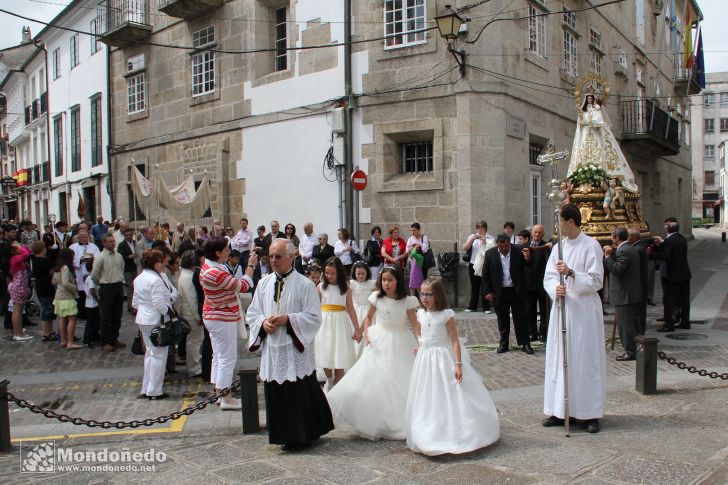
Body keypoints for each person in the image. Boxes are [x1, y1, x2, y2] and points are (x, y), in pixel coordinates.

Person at [247, 239, 334, 450]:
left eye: (278, 256)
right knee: (278, 393)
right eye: (271, 256)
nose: (273, 261)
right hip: (273, 348)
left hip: (295, 349)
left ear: (292, 257)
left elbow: (314, 317)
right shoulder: (263, 283)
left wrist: (289, 319)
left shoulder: (305, 285)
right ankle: (283, 435)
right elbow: (253, 313)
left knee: (299, 393)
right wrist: (263, 323)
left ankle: (304, 434)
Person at [405, 277, 500, 456]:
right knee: (428, 394)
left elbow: (454, 341)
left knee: (448, 393)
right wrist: (421, 344)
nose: (424, 297)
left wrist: (458, 364)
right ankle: (427, 429)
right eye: (422, 293)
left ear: (438, 295)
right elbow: (422, 332)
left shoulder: (446, 314)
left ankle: (458, 429)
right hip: (425, 359)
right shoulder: (420, 313)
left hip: (443, 358)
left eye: (429, 294)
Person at [327, 265, 420, 440]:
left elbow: (414, 323)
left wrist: (421, 340)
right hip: (380, 338)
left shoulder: (407, 301)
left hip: (401, 340)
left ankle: (397, 419)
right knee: (375, 379)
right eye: (384, 280)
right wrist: (367, 333)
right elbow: (368, 317)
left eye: (390, 280)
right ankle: (373, 417)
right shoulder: (376, 298)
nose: (386, 283)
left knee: (399, 380)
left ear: (398, 281)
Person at [542, 204, 605, 434]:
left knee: (584, 360)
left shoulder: (591, 245)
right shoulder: (558, 247)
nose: (558, 226)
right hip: (562, 309)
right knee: (560, 358)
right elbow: (549, 276)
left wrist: (571, 274)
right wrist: (554, 289)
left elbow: (597, 280)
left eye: (560, 221)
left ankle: (589, 413)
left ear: (570, 221)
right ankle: (561, 410)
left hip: (584, 311)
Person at [201, 238, 256, 410]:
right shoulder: (216, 273)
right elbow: (243, 285)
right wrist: (251, 266)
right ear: (217, 253)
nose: (228, 252)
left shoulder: (208, 267)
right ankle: (226, 397)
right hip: (221, 317)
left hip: (214, 315)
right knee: (227, 357)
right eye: (226, 250)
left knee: (218, 355)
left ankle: (219, 392)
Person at [567, 93, 639, 194]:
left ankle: (601, 175)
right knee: (584, 152)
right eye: (588, 98)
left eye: (591, 98)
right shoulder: (584, 110)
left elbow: (599, 121)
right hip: (585, 134)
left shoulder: (597, 109)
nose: (589, 100)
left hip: (595, 134)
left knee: (598, 151)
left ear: (593, 99)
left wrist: (591, 122)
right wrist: (580, 114)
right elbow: (581, 122)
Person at [132, 249, 178, 400]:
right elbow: (159, 304)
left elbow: (135, 302)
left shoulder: (139, 278)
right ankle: (155, 390)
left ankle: (146, 388)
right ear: (154, 263)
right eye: (160, 261)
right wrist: (168, 311)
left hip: (143, 319)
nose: (162, 264)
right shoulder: (156, 280)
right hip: (156, 320)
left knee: (150, 354)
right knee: (159, 355)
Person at [482, 234, 532, 354]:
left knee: (521, 318)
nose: (503, 249)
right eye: (501, 246)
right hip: (500, 291)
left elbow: (527, 267)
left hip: (516, 290)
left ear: (509, 243)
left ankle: (525, 343)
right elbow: (486, 274)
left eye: (505, 246)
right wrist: (487, 291)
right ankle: (504, 344)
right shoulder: (490, 254)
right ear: (497, 244)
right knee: (502, 319)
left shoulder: (518, 250)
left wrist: (528, 259)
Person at [317, 257, 361, 390]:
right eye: (327, 273)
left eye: (332, 273)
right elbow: (314, 307)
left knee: (339, 355)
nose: (329, 276)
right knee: (325, 353)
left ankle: (339, 387)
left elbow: (350, 307)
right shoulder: (320, 287)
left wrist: (357, 329)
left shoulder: (345, 287)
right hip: (324, 323)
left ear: (339, 273)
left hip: (340, 323)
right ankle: (329, 379)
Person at [603, 227, 643, 361]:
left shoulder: (625, 250)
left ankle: (630, 351)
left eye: (612, 237)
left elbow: (617, 270)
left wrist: (608, 257)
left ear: (617, 237)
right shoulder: (629, 248)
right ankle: (636, 348)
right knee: (631, 324)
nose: (611, 239)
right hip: (628, 293)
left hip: (625, 294)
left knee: (625, 325)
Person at [652, 221, 692, 332]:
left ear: (667, 229)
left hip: (673, 275)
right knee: (684, 300)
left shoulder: (669, 241)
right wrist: (663, 242)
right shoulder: (682, 239)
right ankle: (685, 322)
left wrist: (650, 255)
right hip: (685, 274)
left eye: (665, 226)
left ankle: (669, 324)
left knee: (669, 300)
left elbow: (666, 255)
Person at [91, 233, 126, 352]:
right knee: (106, 316)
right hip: (106, 286)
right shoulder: (100, 257)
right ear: (104, 243)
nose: (112, 243)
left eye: (113, 241)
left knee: (117, 315)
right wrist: (102, 282)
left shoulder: (119, 256)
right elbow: (95, 275)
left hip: (118, 285)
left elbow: (122, 268)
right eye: (110, 241)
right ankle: (105, 341)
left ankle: (113, 338)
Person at [525, 224, 552, 342]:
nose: (537, 234)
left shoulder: (546, 246)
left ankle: (544, 333)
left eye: (540, 232)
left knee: (544, 310)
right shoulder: (524, 246)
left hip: (542, 283)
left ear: (543, 234)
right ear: (531, 233)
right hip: (529, 283)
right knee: (529, 310)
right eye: (535, 232)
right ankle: (532, 332)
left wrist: (551, 247)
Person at [178, 250, 203, 377]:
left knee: (194, 340)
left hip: (189, 313)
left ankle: (194, 365)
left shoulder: (185, 274)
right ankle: (194, 368)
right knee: (195, 341)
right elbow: (192, 299)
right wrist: (198, 316)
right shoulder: (188, 277)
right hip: (191, 315)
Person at [462, 220, 494, 314]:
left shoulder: (490, 238)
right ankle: (472, 306)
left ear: (485, 228)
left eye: (482, 228)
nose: (480, 230)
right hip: (473, 264)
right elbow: (465, 248)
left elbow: (493, 251)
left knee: (485, 286)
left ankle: (486, 308)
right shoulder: (472, 236)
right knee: (474, 286)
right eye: (478, 227)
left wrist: (485, 242)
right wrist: (472, 239)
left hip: (485, 265)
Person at [52, 248, 81, 349]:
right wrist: (74, 288)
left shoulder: (57, 267)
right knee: (72, 319)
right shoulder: (65, 267)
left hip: (59, 296)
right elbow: (65, 283)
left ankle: (63, 340)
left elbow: (54, 281)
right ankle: (70, 342)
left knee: (62, 319)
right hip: (66, 297)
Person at [69, 229, 100, 319]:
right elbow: (71, 260)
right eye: (82, 237)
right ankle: (81, 313)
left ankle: (92, 311)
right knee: (81, 293)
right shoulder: (73, 247)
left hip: (91, 272)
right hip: (79, 273)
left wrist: (93, 258)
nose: (84, 239)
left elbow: (98, 257)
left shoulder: (93, 246)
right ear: (78, 238)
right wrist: (80, 259)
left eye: (86, 237)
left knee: (91, 290)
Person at [31, 241, 56, 342]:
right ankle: (46, 332)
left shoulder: (34, 260)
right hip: (47, 286)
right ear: (42, 249)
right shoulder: (45, 261)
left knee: (47, 307)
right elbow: (52, 273)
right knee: (47, 309)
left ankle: (50, 331)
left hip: (39, 286)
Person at [8, 241, 33, 341]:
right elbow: (27, 254)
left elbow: (28, 251)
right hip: (19, 287)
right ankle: (18, 334)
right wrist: (19, 246)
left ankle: (18, 333)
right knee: (17, 312)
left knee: (17, 311)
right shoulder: (15, 258)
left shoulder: (16, 258)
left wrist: (21, 246)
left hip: (19, 286)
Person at [350, 261, 375, 360]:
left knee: (367, 334)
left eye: (363, 274)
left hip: (368, 310)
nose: (360, 276)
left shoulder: (371, 283)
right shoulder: (352, 284)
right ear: (354, 273)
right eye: (358, 274)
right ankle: (354, 357)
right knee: (354, 334)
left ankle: (365, 357)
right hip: (355, 310)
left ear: (367, 273)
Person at [627, 228, 649, 335]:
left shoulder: (637, 249)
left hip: (639, 285)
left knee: (639, 311)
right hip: (641, 284)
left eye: (627, 236)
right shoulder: (638, 247)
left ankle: (639, 333)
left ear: (632, 237)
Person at [406, 223, 430, 297]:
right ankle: (416, 301)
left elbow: (425, 249)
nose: (413, 232)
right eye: (412, 231)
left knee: (422, 282)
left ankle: (423, 300)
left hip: (421, 263)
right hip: (412, 263)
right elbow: (407, 250)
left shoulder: (424, 237)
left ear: (419, 230)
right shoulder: (410, 238)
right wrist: (412, 248)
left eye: (414, 230)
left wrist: (416, 247)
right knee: (413, 283)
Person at [118, 228, 138, 314]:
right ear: (124, 236)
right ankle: (130, 306)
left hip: (135, 268)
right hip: (127, 269)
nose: (129, 236)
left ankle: (136, 305)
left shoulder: (135, 243)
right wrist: (130, 257)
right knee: (131, 287)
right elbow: (120, 257)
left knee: (136, 287)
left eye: (130, 235)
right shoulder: (121, 245)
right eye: (127, 235)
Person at [82, 259, 100, 347]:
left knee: (96, 321)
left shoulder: (90, 277)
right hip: (92, 304)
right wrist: (98, 300)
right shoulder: (91, 278)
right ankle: (87, 340)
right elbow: (92, 290)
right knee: (91, 322)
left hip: (92, 304)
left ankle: (94, 336)